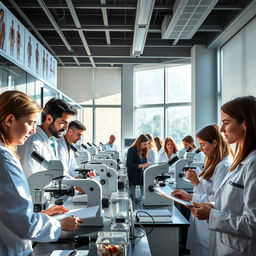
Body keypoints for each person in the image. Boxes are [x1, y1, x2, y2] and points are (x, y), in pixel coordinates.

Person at [0, 91, 82, 255]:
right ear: (10, 120)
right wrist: (60, 225)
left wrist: (41, 214)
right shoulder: (5, 161)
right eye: (30, 123)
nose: (32, 130)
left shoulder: (6, 155)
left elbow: (10, 209)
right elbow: (24, 224)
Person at [188, 96, 256, 256]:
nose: (222, 129)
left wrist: (212, 215)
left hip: (239, 249)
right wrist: (212, 206)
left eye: (226, 122)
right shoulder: (241, 161)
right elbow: (233, 205)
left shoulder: (252, 164)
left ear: (244, 123)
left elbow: (252, 224)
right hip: (224, 245)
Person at [172, 125, 231, 256]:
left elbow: (217, 200)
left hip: (209, 225)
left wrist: (190, 197)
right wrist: (195, 184)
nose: (201, 149)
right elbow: (206, 192)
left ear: (214, 143)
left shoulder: (223, 166)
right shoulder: (212, 161)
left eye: (203, 145)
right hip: (201, 221)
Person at [18, 98, 77, 177]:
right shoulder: (33, 143)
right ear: (49, 119)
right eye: (63, 123)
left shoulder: (52, 141)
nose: (66, 128)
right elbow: (30, 179)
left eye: (68, 124)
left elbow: (57, 174)